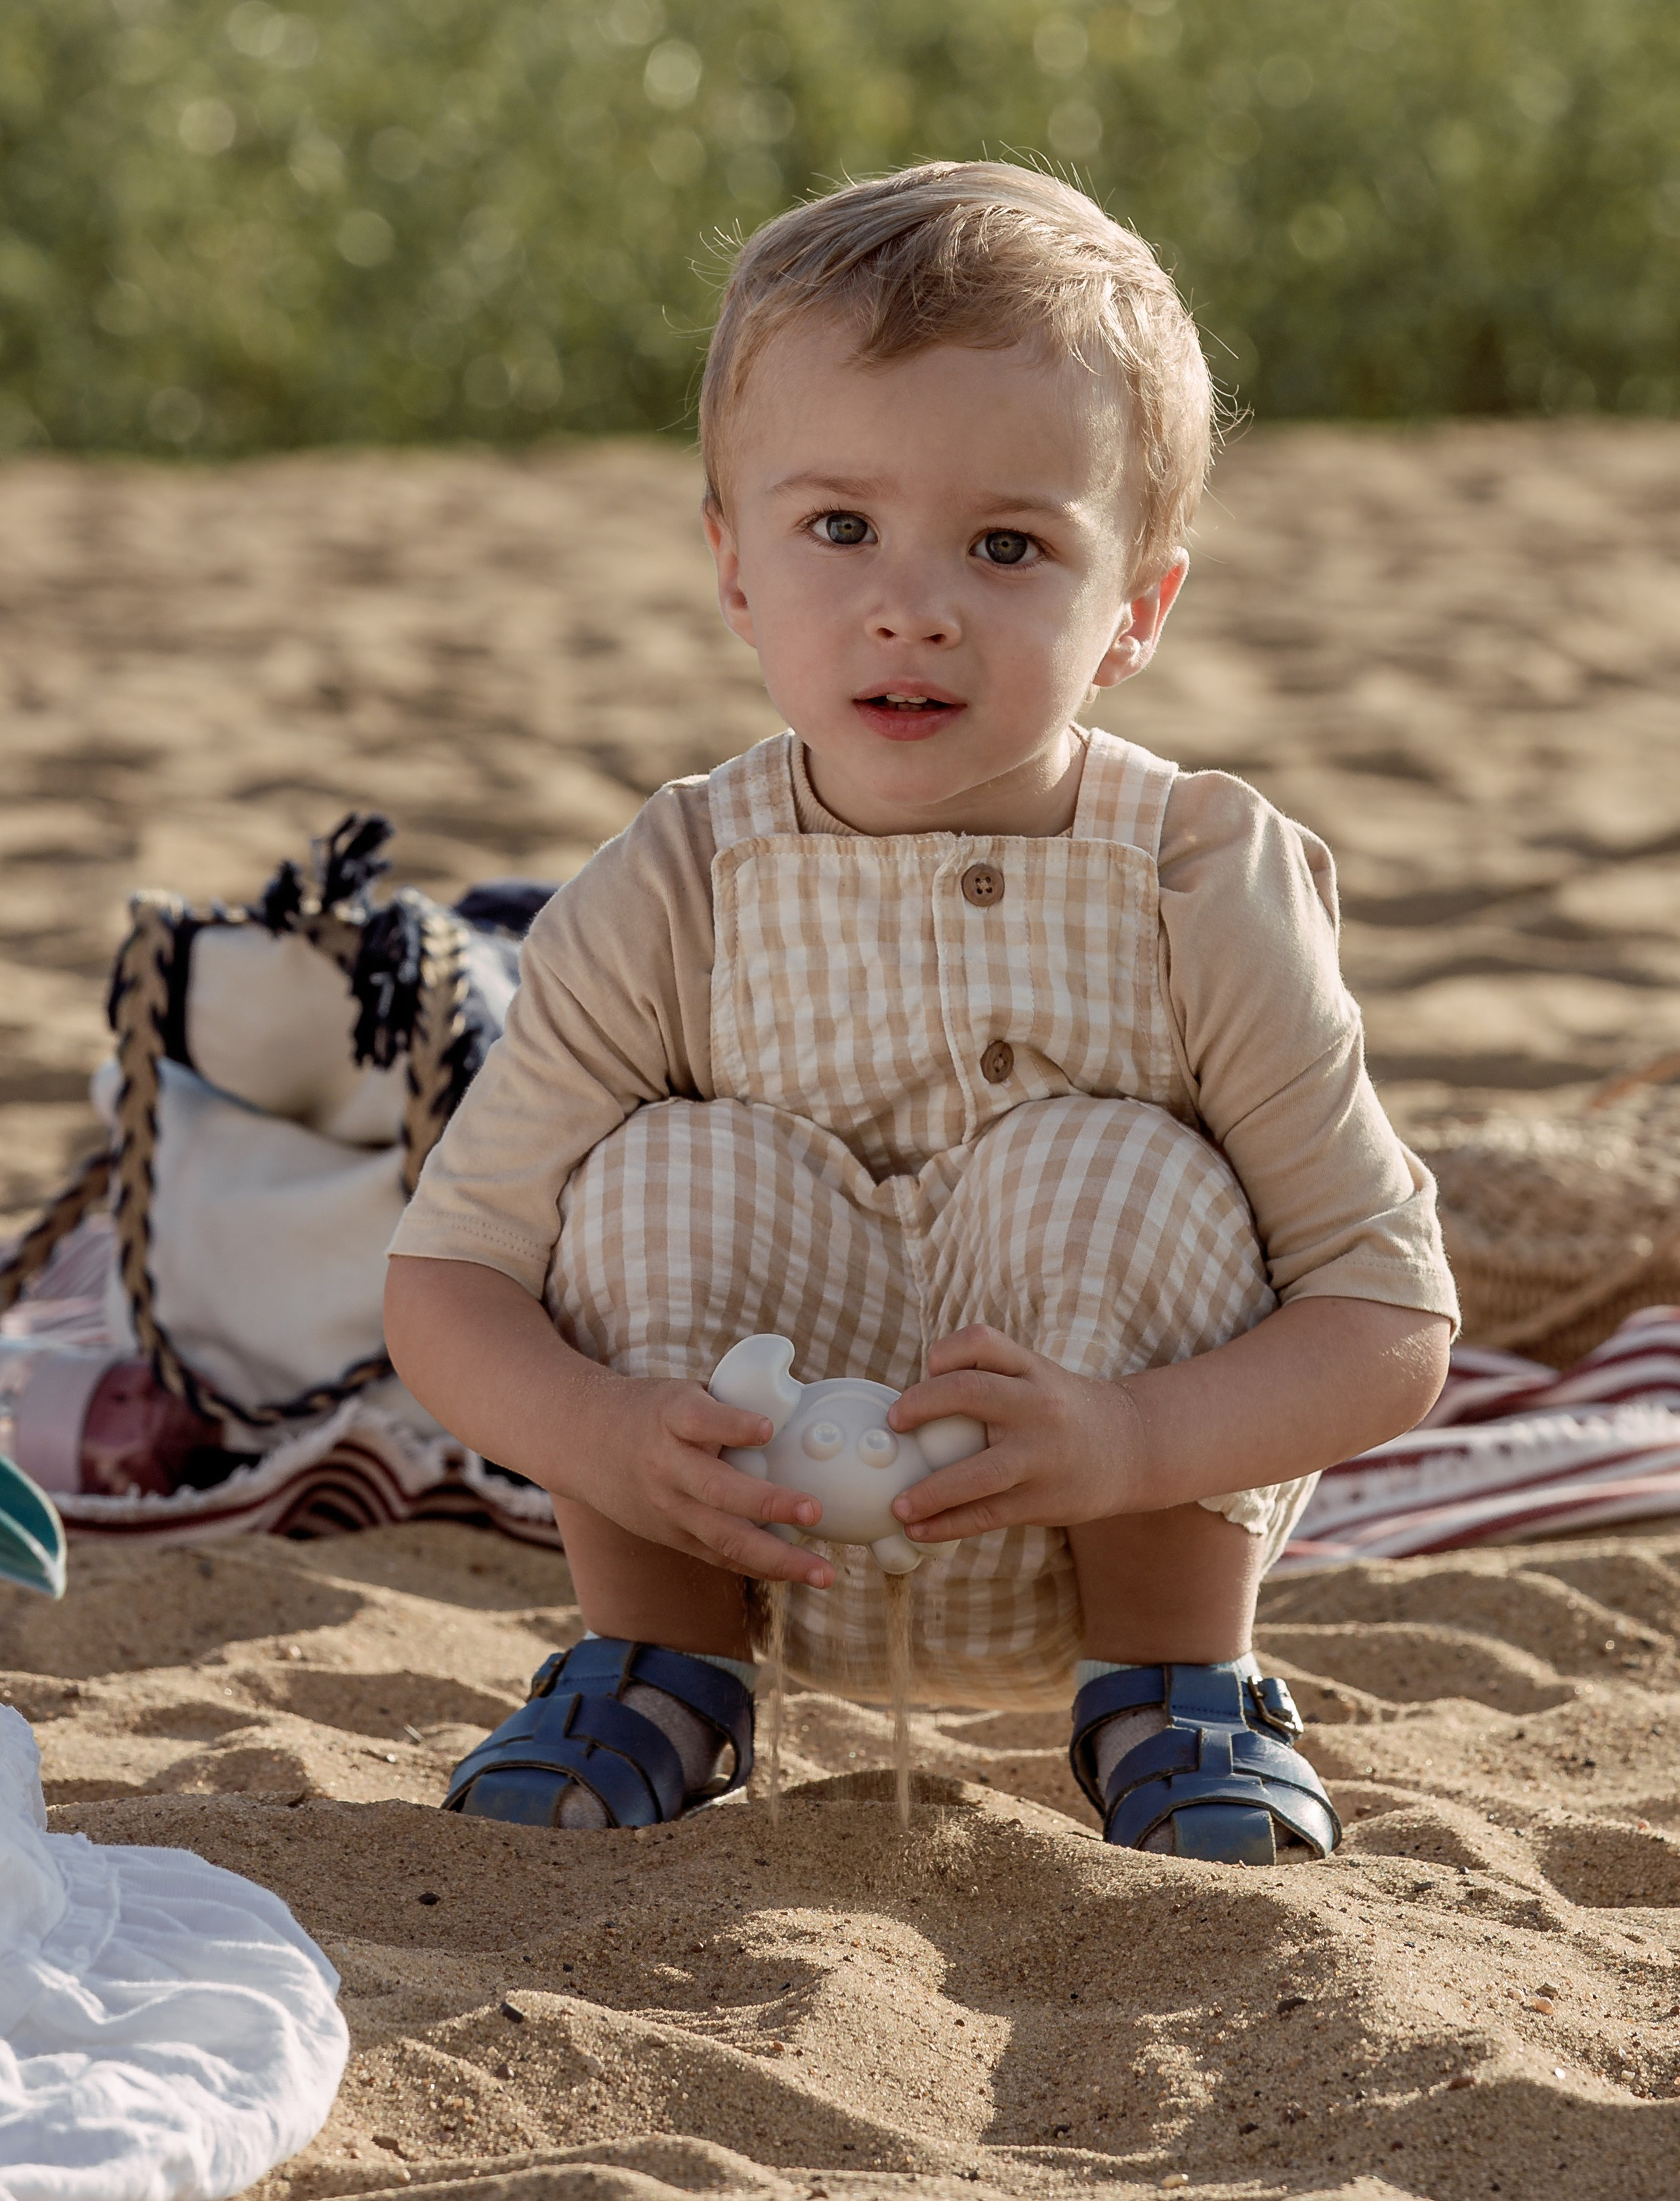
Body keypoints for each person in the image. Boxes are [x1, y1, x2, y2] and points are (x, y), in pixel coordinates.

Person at [385, 162, 1458, 1863]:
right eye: (839, 529)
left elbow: (1387, 1310)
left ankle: (1179, 1696)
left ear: (1138, 608)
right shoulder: (673, 883)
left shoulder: (1200, 879)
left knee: (1116, 1166)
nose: (913, 604)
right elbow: (448, 1276)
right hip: (741, 1522)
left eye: (1009, 546)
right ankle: (657, 1673)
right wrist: (607, 1437)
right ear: (734, 567)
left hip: (1097, 1507)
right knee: (653, 1170)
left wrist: (1133, 1438)